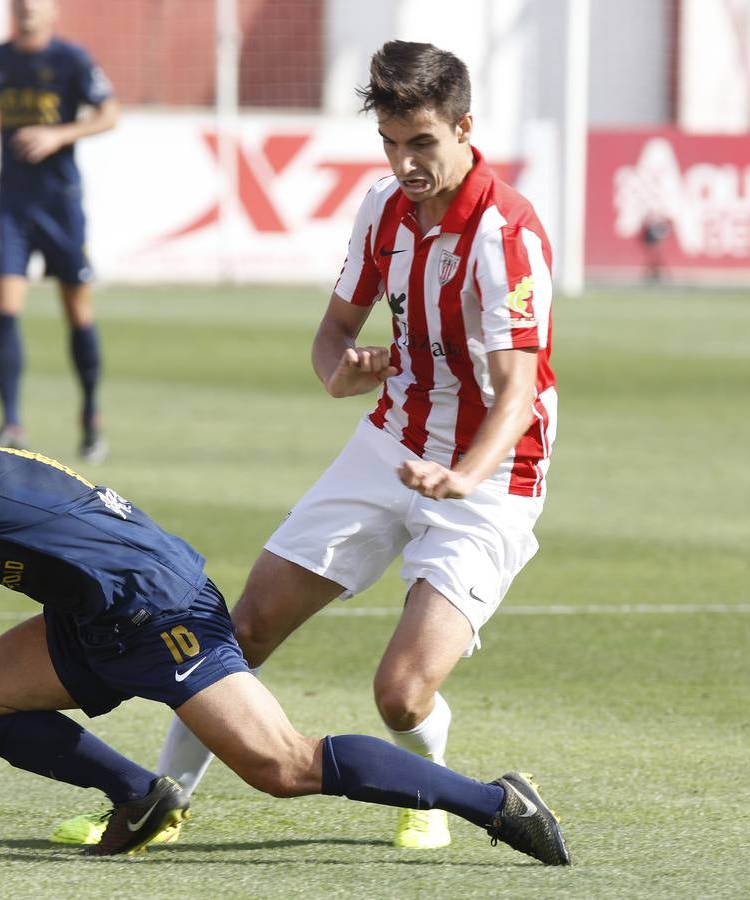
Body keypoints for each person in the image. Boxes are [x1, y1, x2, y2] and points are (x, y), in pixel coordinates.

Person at [0, 397, 570, 865]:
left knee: (283, 768)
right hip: (90, 616)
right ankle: (143, 795)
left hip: (160, 610)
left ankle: (495, 803)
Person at [58, 39, 561, 852]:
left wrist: (462, 475)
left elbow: (515, 392)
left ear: (467, 127)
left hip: (493, 474)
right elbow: (334, 336)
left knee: (399, 695)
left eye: (423, 143)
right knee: (237, 630)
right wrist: (338, 373)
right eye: (392, 145)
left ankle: (426, 793)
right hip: (390, 441)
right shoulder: (384, 209)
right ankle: (161, 804)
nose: (405, 164)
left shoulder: (508, 236)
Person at [0, 0, 120, 463]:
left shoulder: (72, 59)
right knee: (5, 307)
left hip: (60, 204)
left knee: (77, 310)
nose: (27, 9)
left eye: (35, 4)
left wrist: (58, 135)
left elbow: (110, 113)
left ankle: (90, 416)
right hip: (13, 204)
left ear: (52, 11)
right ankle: (11, 421)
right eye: (20, 4)